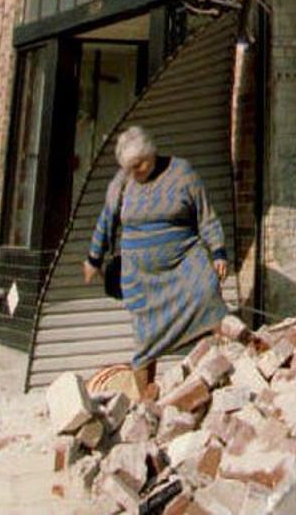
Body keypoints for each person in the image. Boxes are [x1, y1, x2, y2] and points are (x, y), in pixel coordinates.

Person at [83, 126, 229, 394]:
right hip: (140, 277)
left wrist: (218, 251)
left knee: (209, 296)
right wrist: (93, 259)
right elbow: (106, 221)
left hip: (184, 260)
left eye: (140, 165)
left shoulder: (182, 173)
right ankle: (144, 397)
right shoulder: (122, 183)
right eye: (130, 167)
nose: (136, 171)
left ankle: (221, 373)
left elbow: (205, 216)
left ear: (152, 153)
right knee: (145, 336)